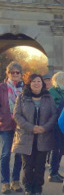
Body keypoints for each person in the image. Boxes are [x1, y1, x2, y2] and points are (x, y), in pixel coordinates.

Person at [12, 74, 57, 195]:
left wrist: (44, 128)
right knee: (27, 165)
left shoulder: (48, 97)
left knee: (40, 165)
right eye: (34, 82)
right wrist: (31, 127)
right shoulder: (22, 97)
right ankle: (28, 186)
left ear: (42, 84)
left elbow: (54, 115)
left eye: (39, 81)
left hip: (43, 136)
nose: (36, 84)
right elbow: (17, 115)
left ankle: (38, 187)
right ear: (29, 84)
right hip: (26, 136)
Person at [0, 61, 24, 193]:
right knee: (5, 154)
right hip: (5, 125)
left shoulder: (25, 89)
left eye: (17, 72)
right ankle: (5, 182)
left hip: (21, 126)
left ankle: (15, 180)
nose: (15, 74)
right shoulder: (2, 87)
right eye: (12, 72)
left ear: (21, 74)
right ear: (8, 73)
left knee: (19, 154)